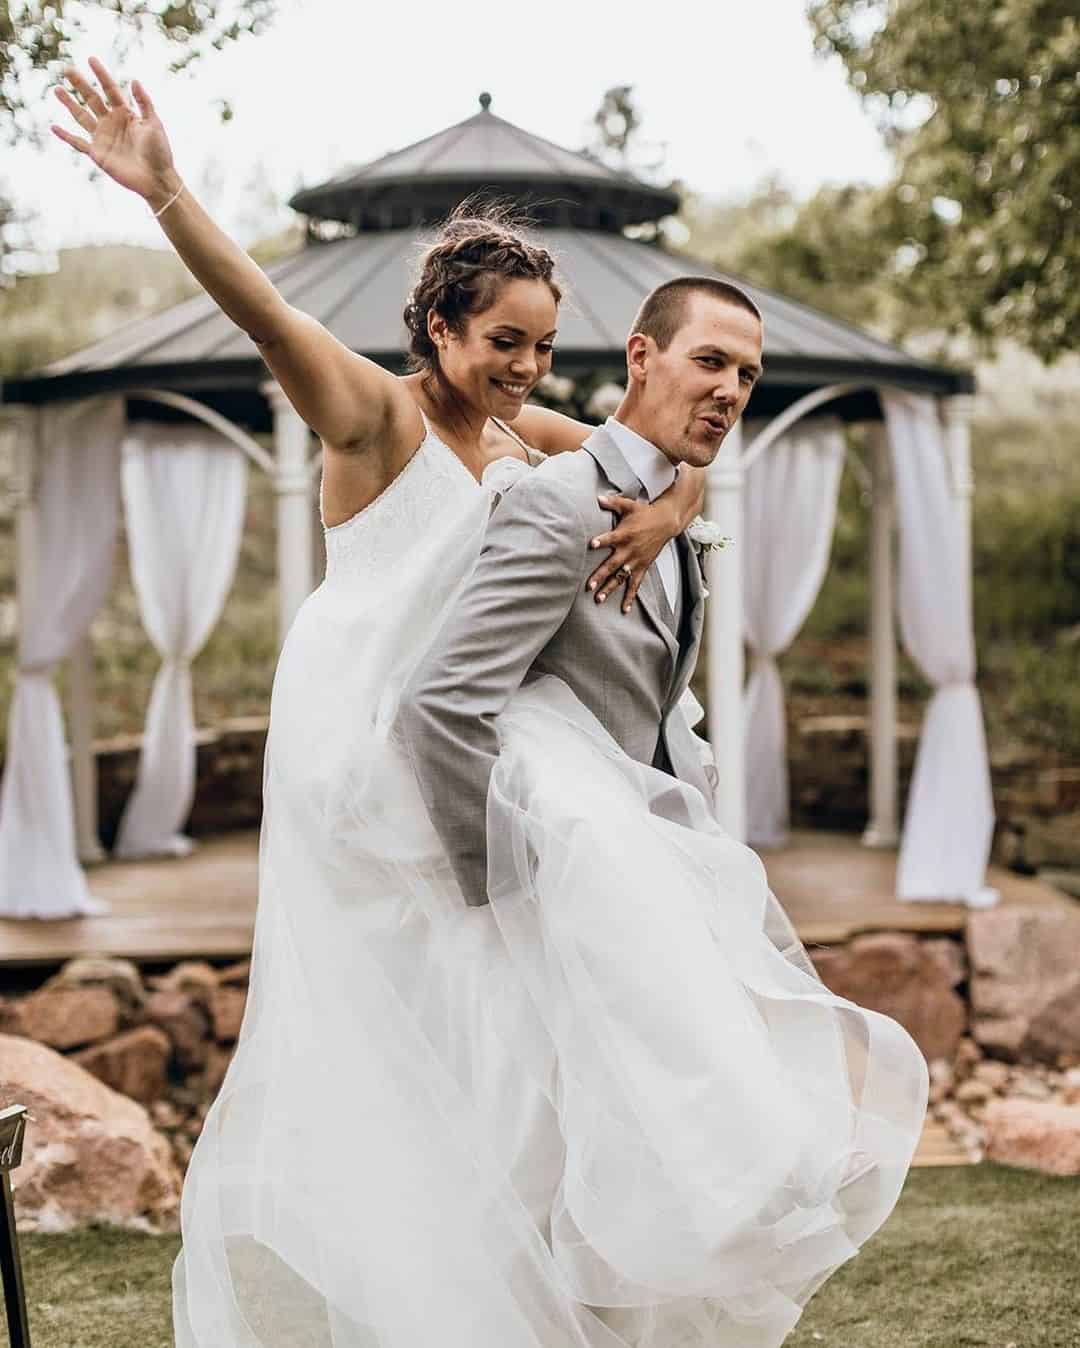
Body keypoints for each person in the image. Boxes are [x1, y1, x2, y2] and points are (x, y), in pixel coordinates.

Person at [53, 62, 929, 1348]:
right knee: (563, 887)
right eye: (499, 342)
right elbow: (262, 317)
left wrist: (677, 506)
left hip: (471, 736)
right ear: (440, 334)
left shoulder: (524, 436)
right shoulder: (373, 418)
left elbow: (657, 450)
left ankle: (569, 1238)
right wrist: (170, 191)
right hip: (373, 734)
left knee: (526, 1012)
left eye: (537, 344)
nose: (522, 367)